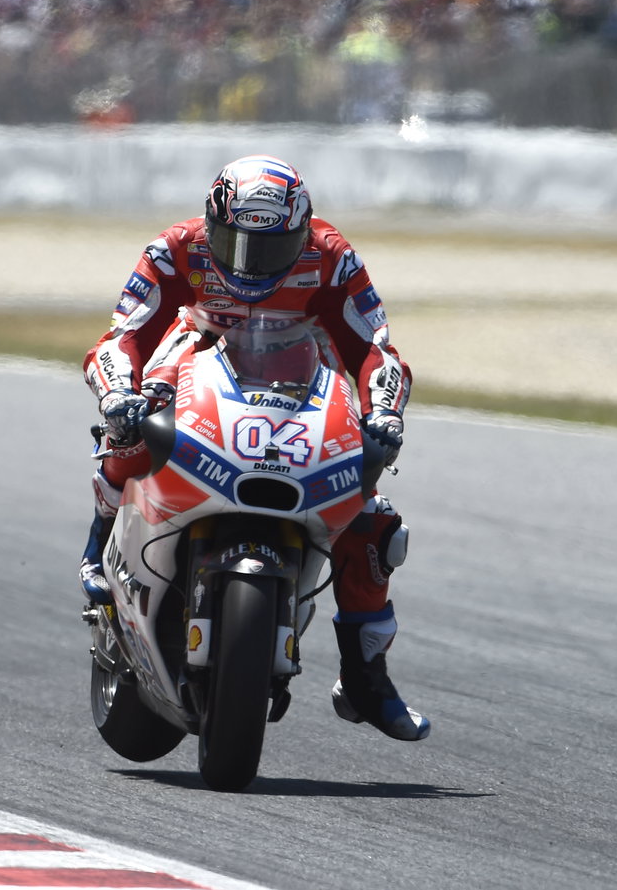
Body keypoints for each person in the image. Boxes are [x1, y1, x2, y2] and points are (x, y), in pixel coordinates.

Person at [79, 154, 430, 742]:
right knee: (132, 423)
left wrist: (384, 412)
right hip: (197, 350)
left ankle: (364, 678)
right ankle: (100, 538)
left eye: (269, 249)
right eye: (234, 244)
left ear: (301, 233)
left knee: (371, 519)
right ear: (211, 224)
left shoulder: (333, 257)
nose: (248, 263)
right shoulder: (176, 248)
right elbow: (123, 336)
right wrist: (118, 392)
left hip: (298, 367)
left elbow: (375, 348)